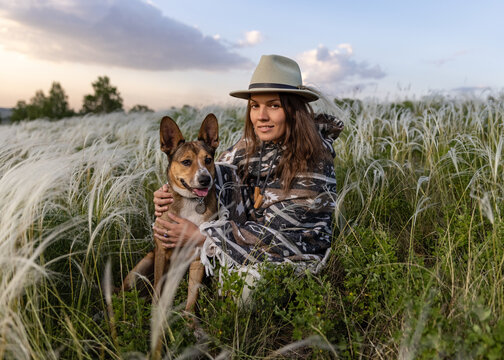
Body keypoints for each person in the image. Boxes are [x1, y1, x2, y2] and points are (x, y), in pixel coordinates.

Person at [152, 54, 344, 277]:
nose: (261, 116)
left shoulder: (315, 162)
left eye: (273, 105)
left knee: (248, 290)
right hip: (239, 243)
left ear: (294, 110)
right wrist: (173, 193)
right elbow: (207, 173)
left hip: (289, 257)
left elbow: (284, 238)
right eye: (255, 105)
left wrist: (202, 236)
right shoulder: (250, 146)